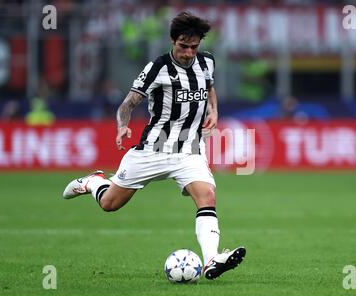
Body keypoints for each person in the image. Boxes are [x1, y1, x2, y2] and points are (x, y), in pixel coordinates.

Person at [62, 12, 246, 280]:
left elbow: (209, 87)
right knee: (110, 204)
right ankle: (94, 182)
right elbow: (128, 103)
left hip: (189, 150)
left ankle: (210, 261)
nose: (188, 53)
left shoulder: (206, 62)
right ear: (173, 41)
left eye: (194, 47)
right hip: (152, 150)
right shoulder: (157, 68)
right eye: (183, 46)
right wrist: (122, 125)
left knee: (207, 196)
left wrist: (213, 110)